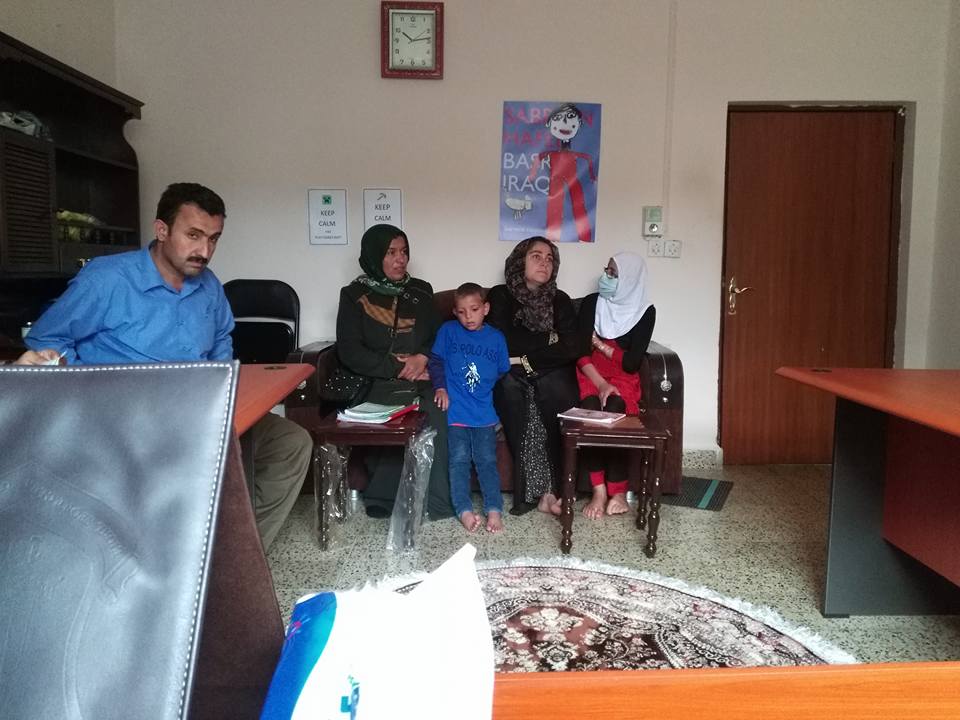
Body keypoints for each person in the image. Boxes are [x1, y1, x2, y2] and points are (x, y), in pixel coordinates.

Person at [16, 182, 312, 551]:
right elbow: (46, 339)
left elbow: (221, 340)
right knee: (194, 463)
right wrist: (93, 388)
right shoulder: (108, 279)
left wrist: (221, 386)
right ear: (162, 230)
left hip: (196, 410)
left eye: (214, 239)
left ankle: (236, 555)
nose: (205, 251)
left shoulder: (209, 286)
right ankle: (191, 557)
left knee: (289, 443)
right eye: (193, 235)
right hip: (125, 421)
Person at [334, 224, 453, 519]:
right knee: (390, 413)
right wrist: (400, 367)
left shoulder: (420, 291)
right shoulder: (354, 295)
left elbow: (438, 336)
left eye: (404, 252)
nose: (400, 259)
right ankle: (384, 498)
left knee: (439, 410)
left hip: (421, 378)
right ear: (375, 256)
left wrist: (422, 358)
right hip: (374, 379)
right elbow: (350, 350)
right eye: (391, 252)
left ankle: (437, 502)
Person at [487, 236, 585, 515]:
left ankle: (558, 490)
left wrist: (529, 355)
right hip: (511, 371)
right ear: (520, 261)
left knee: (556, 393)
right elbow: (503, 341)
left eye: (550, 258)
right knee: (515, 393)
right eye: (536, 256)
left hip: (551, 370)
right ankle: (537, 492)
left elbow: (572, 347)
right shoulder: (500, 296)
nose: (544, 263)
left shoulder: (560, 300)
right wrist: (548, 338)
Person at [575, 251, 656, 519]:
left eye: (614, 273)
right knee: (591, 413)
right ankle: (598, 490)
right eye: (607, 270)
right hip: (591, 372)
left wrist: (599, 344)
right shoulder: (592, 303)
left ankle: (618, 491)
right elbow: (580, 351)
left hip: (622, 378)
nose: (606, 277)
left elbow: (631, 363)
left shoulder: (645, 311)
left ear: (630, 279)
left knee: (615, 411)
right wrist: (600, 381)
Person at [428, 283, 511, 533]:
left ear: (485, 308)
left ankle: (494, 510)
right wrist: (441, 388)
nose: (468, 317)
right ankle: (463, 510)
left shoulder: (496, 338)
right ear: (455, 312)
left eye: (474, 310)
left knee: (487, 462)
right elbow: (435, 362)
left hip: (484, 415)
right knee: (459, 462)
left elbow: (502, 370)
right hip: (456, 414)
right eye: (462, 312)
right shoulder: (448, 331)